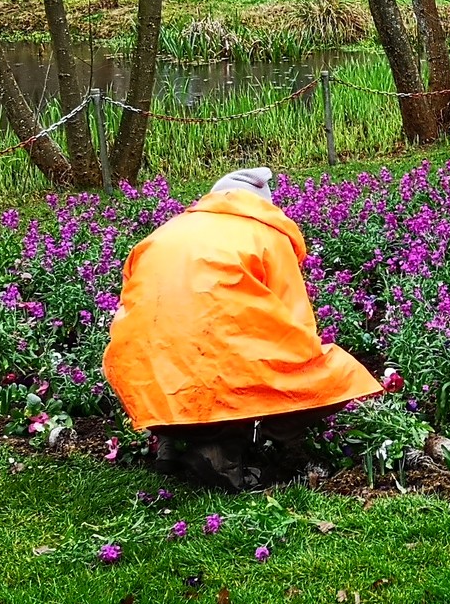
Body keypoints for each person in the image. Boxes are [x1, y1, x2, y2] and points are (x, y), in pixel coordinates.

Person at [103, 167, 379, 487]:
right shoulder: (266, 235)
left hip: (139, 369)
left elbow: (130, 310)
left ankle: (171, 442)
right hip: (216, 367)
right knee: (338, 373)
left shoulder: (161, 235)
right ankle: (224, 454)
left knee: (180, 354)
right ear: (263, 206)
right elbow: (297, 323)